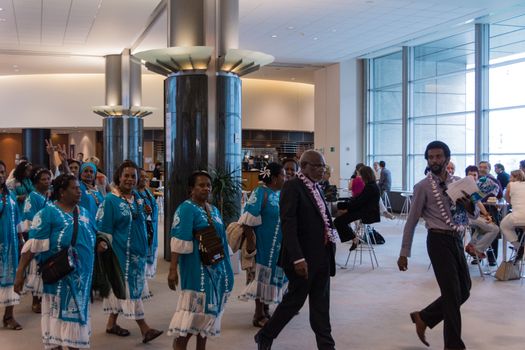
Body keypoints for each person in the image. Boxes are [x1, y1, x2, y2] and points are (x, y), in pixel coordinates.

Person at [398, 140, 476, 350]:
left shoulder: (460, 183)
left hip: (457, 239)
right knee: (451, 295)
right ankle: (453, 346)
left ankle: (424, 317)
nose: (434, 160)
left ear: (447, 159)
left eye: (438, 157)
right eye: (430, 157)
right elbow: (412, 220)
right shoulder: (422, 187)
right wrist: (404, 252)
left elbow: (474, 212)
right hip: (438, 241)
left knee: (465, 289)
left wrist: (468, 204)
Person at [255, 150, 337, 350]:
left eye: (323, 166)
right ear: (305, 166)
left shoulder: (317, 187)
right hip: (303, 259)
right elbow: (288, 224)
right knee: (293, 303)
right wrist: (298, 258)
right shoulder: (292, 186)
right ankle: (265, 335)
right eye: (317, 166)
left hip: (322, 256)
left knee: (321, 306)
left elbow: (321, 218)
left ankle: (327, 346)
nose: (321, 170)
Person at [15, 174, 99, 349]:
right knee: (62, 316)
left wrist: (101, 243)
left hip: (82, 277)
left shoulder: (83, 211)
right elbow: (32, 246)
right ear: (62, 192)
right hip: (60, 276)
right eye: (74, 188)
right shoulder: (47, 213)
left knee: (76, 316)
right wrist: (19, 273)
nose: (79, 191)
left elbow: (94, 234)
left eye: (79, 188)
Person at [96, 160, 162, 343]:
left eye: (133, 176)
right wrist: (103, 250)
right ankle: (145, 328)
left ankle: (111, 324)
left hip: (137, 254)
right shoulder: (111, 200)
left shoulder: (138, 198)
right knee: (129, 290)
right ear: (119, 177)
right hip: (120, 255)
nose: (130, 179)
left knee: (123, 289)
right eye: (126, 175)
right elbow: (104, 228)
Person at [167, 170, 234, 350]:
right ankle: (179, 345)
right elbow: (179, 241)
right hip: (196, 269)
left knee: (207, 317)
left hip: (216, 267)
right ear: (191, 189)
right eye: (201, 185)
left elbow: (221, 239)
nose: (206, 188)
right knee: (195, 316)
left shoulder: (213, 209)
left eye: (208, 185)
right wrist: (173, 270)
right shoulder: (186, 208)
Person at [238, 163, 287, 327]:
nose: (285, 178)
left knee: (272, 276)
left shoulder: (280, 194)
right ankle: (258, 314)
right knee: (261, 276)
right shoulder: (260, 192)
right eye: (283, 175)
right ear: (273, 178)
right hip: (263, 245)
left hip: (277, 246)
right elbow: (247, 219)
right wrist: (251, 244)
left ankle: (266, 309)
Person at [21, 166, 52, 314]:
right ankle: (35, 301)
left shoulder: (49, 195)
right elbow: (28, 218)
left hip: (49, 237)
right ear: (36, 182)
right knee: (36, 268)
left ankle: (44, 298)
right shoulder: (32, 196)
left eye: (48, 179)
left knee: (46, 268)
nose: (47, 182)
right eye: (43, 179)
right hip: (37, 235)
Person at [0, 160, 23, 331]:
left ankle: (9, 316)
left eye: (2, 172)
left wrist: (21, 239)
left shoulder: (10, 195)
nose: (0, 175)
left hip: (11, 245)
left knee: (11, 280)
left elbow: (17, 220)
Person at [334, 166, 380, 248]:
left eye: (360, 175)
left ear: (365, 175)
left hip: (367, 213)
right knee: (340, 218)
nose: (359, 177)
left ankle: (354, 238)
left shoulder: (370, 187)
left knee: (338, 221)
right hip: (365, 210)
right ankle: (354, 238)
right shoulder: (371, 185)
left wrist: (341, 206)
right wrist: (345, 207)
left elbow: (358, 202)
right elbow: (358, 200)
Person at [463, 166, 499, 260]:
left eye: (475, 175)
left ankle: (471, 245)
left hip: (475, 216)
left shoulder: (476, 187)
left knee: (485, 227)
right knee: (494, 229)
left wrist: (486, 215)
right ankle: (477, 249)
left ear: (477, 176)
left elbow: (478, 202)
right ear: (466, 175)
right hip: (466, 217)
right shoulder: (465, 187)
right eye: (470, 175)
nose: (472, 177)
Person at [136, 168, 159, 279]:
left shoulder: (147, 192)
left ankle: (145, 281)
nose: (144, 179)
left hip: (151, 228)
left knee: (151, 252)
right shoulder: (134, 194)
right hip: (141, 230)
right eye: (142, 176)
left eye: (146, 176)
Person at [500, 169, 525, 262]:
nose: (509, 179)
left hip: (517, 217)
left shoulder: (510, 185)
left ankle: (518, 246)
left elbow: (507, 200)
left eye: (511, 177)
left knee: (503, 225)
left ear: (515, 177)